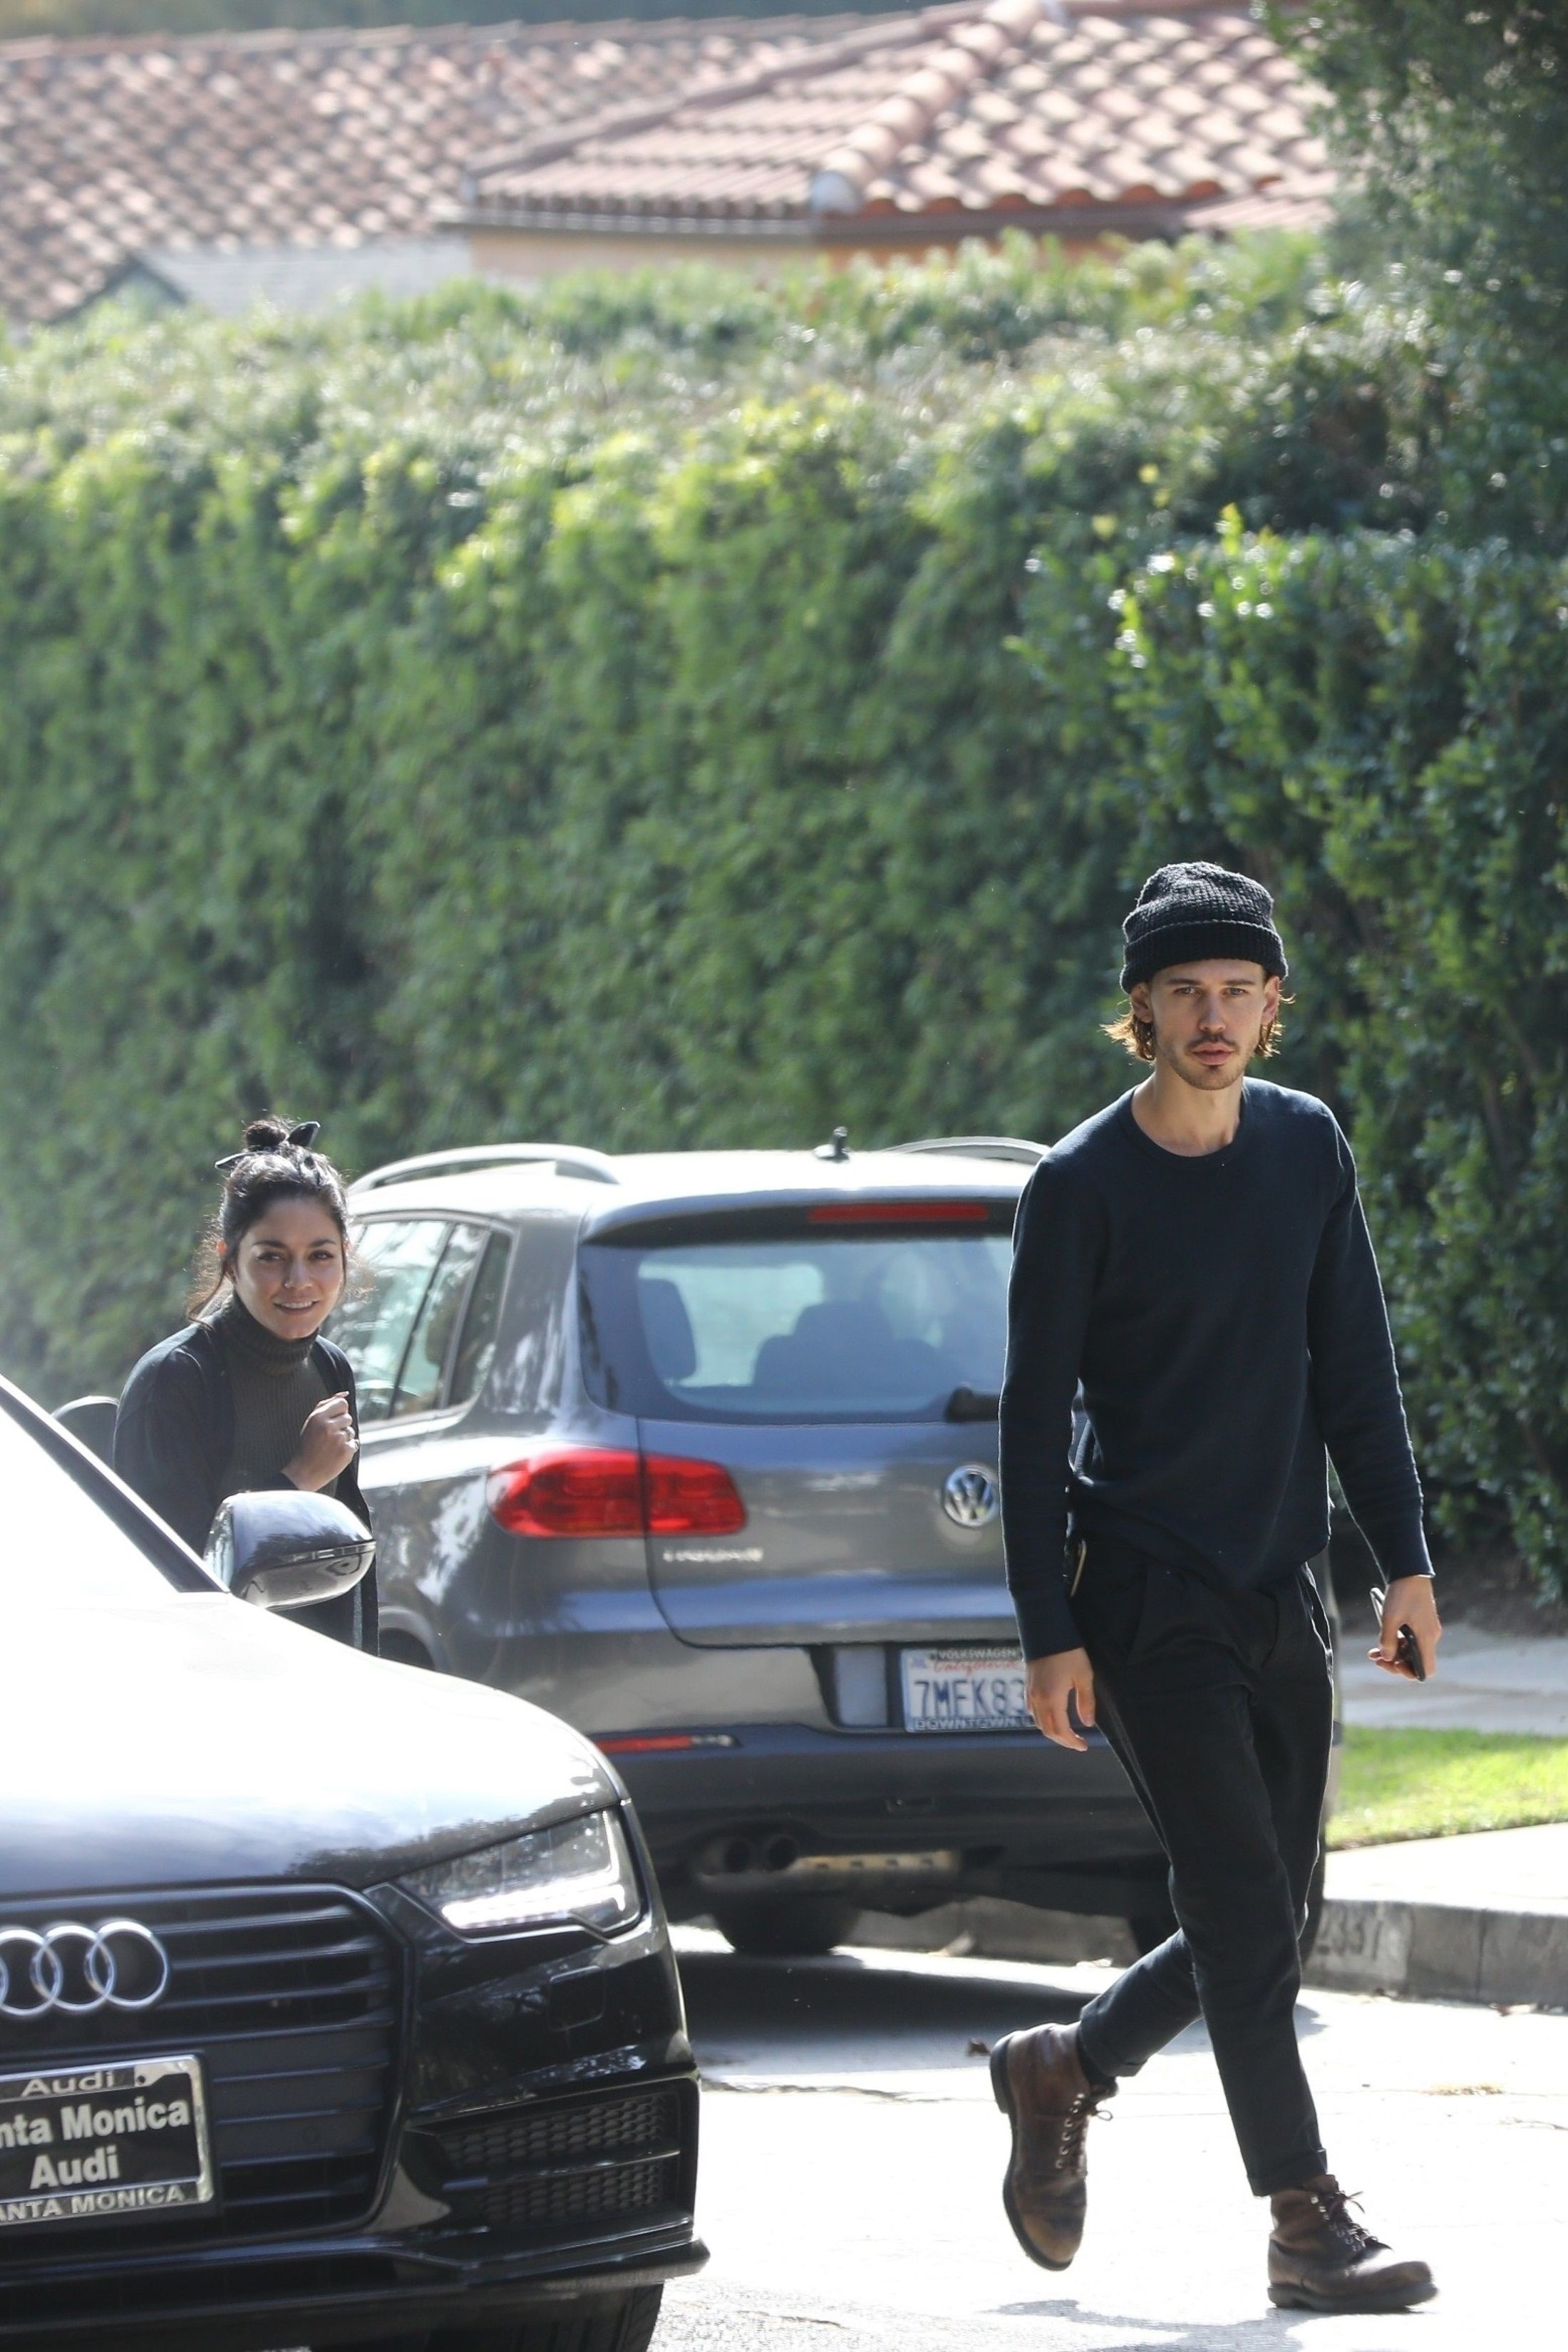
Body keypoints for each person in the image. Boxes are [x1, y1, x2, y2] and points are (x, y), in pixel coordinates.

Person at [992, 862, 1440, 2314]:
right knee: (1242, 1904)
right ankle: (1304, 2218)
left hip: (1279, 1585)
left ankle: (1066, 2067)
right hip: (1141, 1596)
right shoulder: (1077, 1188)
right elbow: (1029, 1426)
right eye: (1183, 990)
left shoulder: (1304, 1149)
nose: (1210, 1016)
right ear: (1141, 1007)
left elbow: (1354, 1369)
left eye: (1235, 990)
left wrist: (1404, 1562)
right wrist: (1048, 1631)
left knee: (1272, 1919)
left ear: (1269, 1003)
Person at [114, 1115, 376, 1652]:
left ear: (344, 1257)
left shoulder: (330, 1368)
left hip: (321, 1676)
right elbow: (167, 1579)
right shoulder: (175, 1379)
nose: (299, 1281)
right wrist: (299, 1479)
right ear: (230, 1261)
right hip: (212, 1678)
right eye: (272, 1257)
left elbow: (352, 1563)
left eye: (320, 1256)